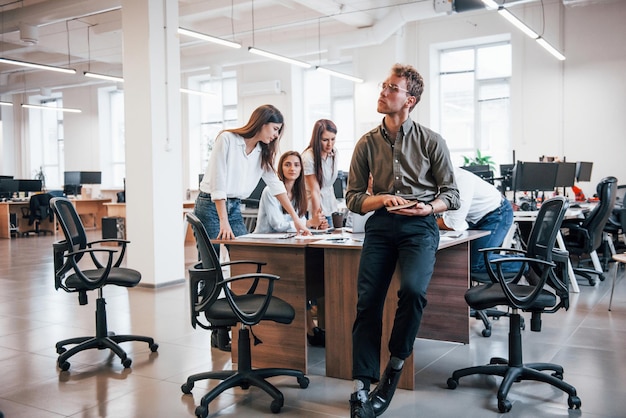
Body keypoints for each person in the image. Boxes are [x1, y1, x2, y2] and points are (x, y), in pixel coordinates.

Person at [345, 64, 460, 418]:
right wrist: (380, 199)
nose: (382, 92)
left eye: (391, 88)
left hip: (420, 226)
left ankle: (394, 366)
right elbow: (351, 198)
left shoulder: (431, 141)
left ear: (409, 99)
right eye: (382, 86)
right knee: (368, 303)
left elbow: (451, 195)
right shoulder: (366, 143)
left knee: (412, 291)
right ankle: (362, 384)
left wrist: (429, 208)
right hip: (381, 226)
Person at [195, 104, 311, 351]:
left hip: (235, 206)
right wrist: (223, 221)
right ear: (262, 122)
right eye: (275, 129)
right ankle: (218, 330)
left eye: (279, 131)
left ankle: (242, 323)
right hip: (211, 205)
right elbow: (218, 182)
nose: (276, 135)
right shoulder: (227, 139)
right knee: (212, 268)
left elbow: (276, 185)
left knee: (247, 261)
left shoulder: (262, 151)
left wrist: (297, 220)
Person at [253, 151, 328, 346]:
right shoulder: (270, 191)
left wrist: (313, 224)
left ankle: (311, 328)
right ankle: (310, 329)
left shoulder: (300, 192)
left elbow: (301, 222)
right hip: (266, 247)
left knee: (312, 274)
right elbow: (277, 224)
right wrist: (307, 223)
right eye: (287, 164)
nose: (292, 168)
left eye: (296, 165)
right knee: (297, 280)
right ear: (280, 168)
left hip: (289, 244)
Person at [438, 166, 517, 274]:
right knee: (461, 259)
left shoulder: (460, 180)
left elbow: (452, 224)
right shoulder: (437, 181)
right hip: (474, 218)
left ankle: (528, 264)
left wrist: (425, 221)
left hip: (497, 214)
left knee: (475, 264)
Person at [302, 119, 340, 228]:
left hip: (331, 208)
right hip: (315, 209)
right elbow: (315, 190)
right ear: (317, 139)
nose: (330, 144)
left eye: (333, 139)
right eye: (325, 140)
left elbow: (328, 186)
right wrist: (316, 218)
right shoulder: (308, 157)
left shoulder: (334, 153)